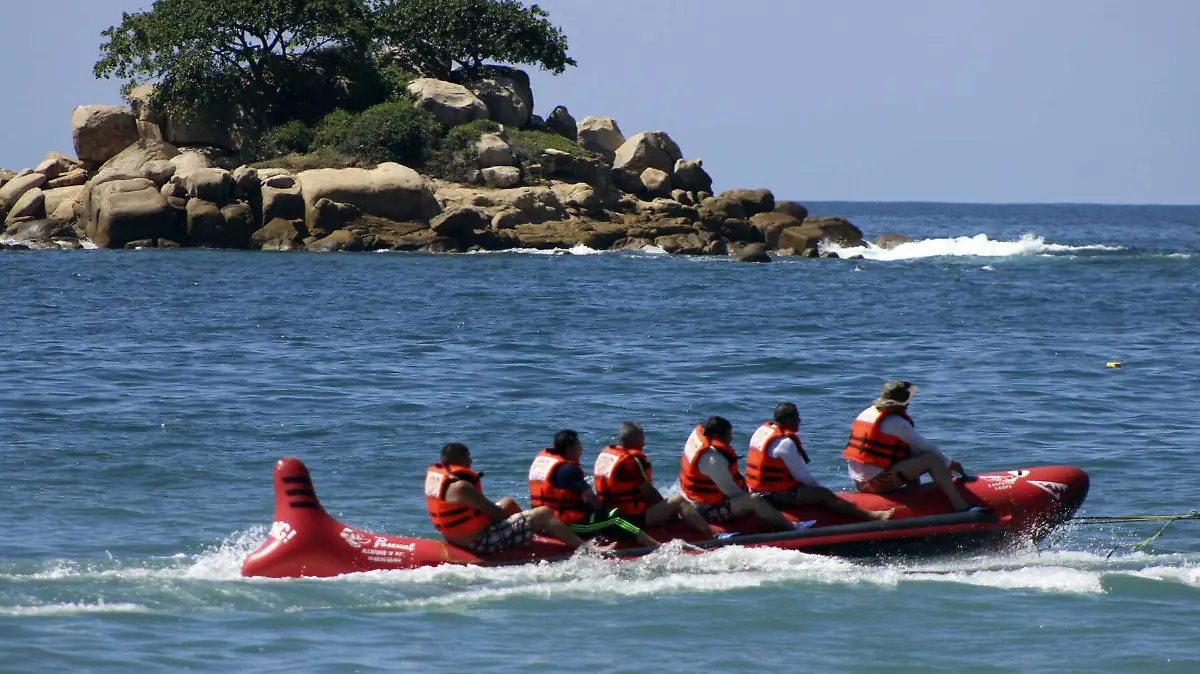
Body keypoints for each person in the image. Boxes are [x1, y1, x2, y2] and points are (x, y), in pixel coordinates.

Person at [425, 442, 587, 556]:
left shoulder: (440, 480)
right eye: (468, 457)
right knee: (543, 513)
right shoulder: (463, 487)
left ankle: (538, 536)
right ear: (461, 459)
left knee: (507, 502)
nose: (471, 461)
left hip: (454, 536)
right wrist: (523, 523)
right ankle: (584, 549)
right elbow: (495, 514)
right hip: (479, 542)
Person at [746, 403, 894, 521]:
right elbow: (802, 476)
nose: (800, 421)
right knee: (823, 495)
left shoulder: (762, 432)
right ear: (789, 420)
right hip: (774, 497)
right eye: (797, 418)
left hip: (756, 491)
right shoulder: (785, 443)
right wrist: (822, 492)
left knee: (815, 492)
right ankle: (871, 516)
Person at [842, 381, 975, 512]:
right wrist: (950, 463)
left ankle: (914, 497)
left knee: (910, 451)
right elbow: (927, 447)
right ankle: (960, 504)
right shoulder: (895, 421)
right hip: (877, 483)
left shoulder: (868, 413)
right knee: (931, 459)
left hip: (858, 481)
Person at [529, 430, 661, 548]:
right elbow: (590, 498)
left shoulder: (549, 464)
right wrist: (603, 513)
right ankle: (654, 545)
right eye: (579, 445)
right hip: (570, 524)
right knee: (615, 518)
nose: (581, 448)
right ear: (570, 448)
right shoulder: (568, 470)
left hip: (545, 524)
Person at [593, 421, 716, 538]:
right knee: (679, 501)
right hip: (632, 518)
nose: (644, 444)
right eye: (642, 440)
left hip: (610, 514)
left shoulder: (606, 455)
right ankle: (712, 534)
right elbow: (650, 494)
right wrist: (669, 512)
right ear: (635, 440)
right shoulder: (630, 462)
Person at [679, 416, 797, 531]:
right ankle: (792, 528)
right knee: (754, 500)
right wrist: (753, 499)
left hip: (693, 500)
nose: (731, 438)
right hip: (706, 512)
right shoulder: (713, 460)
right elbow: (732, 493)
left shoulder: (700, 446)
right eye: (729, 435)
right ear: (717, 436)